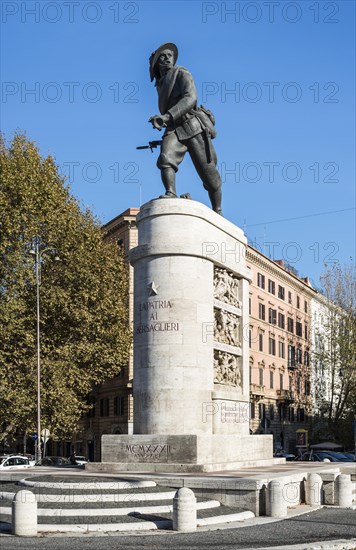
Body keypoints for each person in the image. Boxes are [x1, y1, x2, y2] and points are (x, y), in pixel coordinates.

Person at [148, 42, 222, 215]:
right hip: (174, 127)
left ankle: (217, 210)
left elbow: (191, 98)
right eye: (161, 57)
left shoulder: (181, 73)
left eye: (169, 55)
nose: (166, 59)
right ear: (156, 64)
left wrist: (167, 116)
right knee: (165, 158)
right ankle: (170, 192)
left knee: (209, 175)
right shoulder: (160, 84)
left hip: (192, 126)